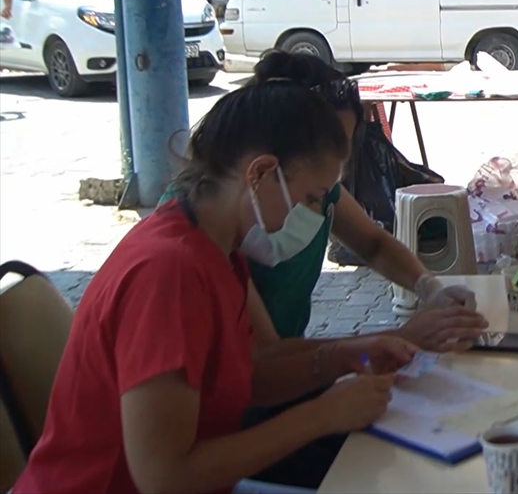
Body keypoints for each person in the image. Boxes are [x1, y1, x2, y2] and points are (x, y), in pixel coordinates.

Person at [13, 82, 417, 494]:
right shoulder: (169, 272)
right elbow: (165, 476)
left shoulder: (217, 246)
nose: (314, 215)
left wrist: (348, 354)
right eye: (310, 198)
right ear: (260, 173)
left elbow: (254, 375)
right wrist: (323, 415)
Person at [233, 51, 489, 488]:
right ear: (267, 164)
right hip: (250, 409)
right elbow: (263, 369)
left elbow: (373, 242)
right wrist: (388, 343)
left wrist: (429, 287)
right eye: (315, 194)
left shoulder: (303, 188)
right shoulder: (211, 237)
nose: (335, 173)